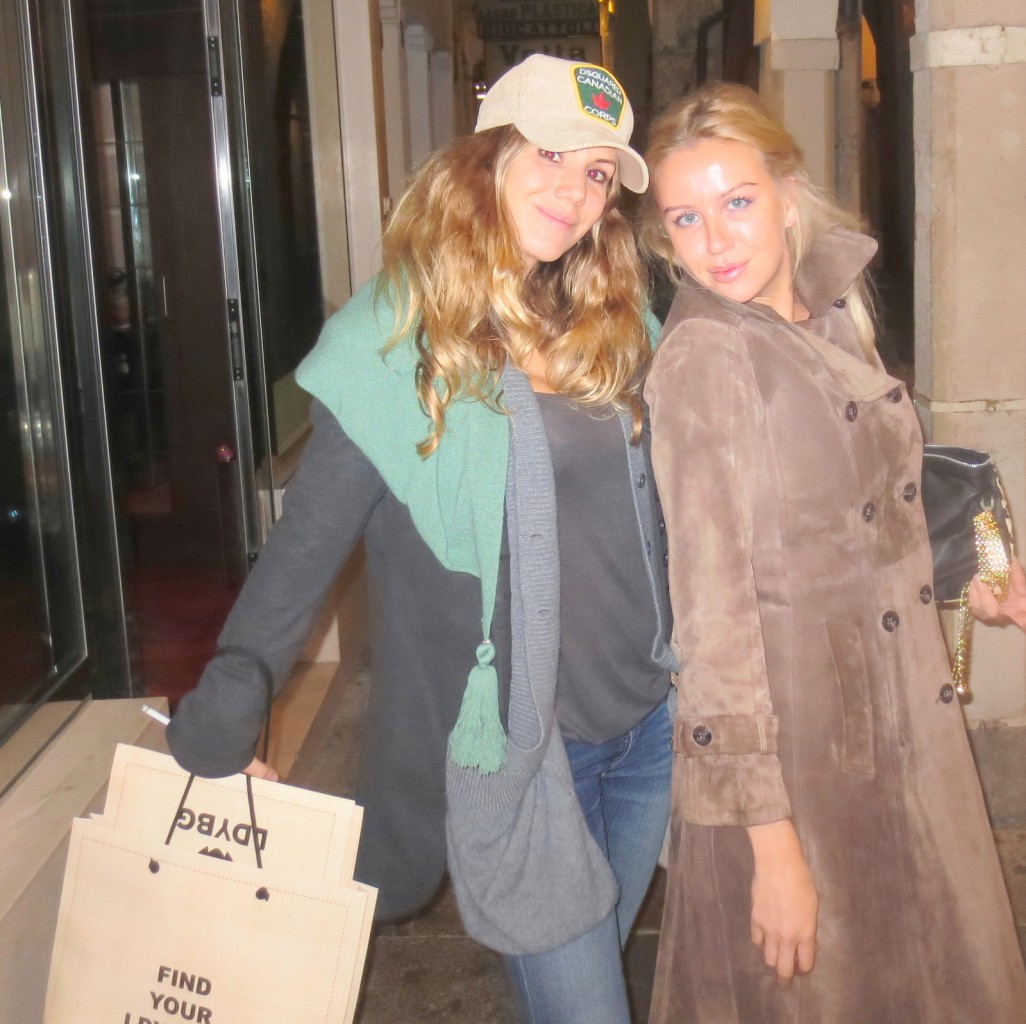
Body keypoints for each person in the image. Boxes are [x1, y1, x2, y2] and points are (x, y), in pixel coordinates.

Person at [166, 54, 676, 1024]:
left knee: (590, 977)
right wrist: (225, 718)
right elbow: (302, 550)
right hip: (530, 754)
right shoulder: (398, 340)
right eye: (550, 155)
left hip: (647, 725)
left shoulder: (617, 319)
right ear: (486, 158)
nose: (573, 192)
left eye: (597, 172)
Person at [639, 82, 1026, 1023]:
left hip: (897, 724)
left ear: (786, 194)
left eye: (737, 201)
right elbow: (714, 619)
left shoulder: (823, 315)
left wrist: (966, 581)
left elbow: (856, 518)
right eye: (686, 218)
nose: (716, 240)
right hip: (803, 752)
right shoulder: (707, 357)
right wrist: (772, 845)